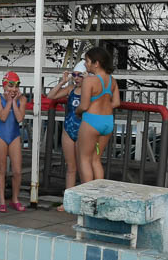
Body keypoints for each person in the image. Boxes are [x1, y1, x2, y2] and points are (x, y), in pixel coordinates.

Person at [47, 60, 87, 210]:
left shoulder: (90, 91)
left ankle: (84, 201)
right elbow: (51, 96)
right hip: (68, 131)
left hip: (83, 132)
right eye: (74, 75)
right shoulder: (70, 89)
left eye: (80, 75)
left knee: (83, 168)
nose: (76, 78)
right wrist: (62, 82)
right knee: (70, 168)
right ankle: (68, 202)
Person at [76, 47, 120, 183]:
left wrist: (77, 112)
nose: (85, 64)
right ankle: (98, 192)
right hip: (107, 121)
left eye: (87, 61)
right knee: (96, 159)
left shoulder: (89, 81)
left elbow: (84, 106)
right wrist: (103, 107)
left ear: (96, 63)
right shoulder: (112, 80)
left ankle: (87, 193)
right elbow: (116, 103)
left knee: (84, 159)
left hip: (91, 121)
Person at [0, 71, 28, 213]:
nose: (13, 89)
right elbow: (2, 117)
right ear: (4, 85)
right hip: (1, 135)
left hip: (14, 136)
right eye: (11, 85)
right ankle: (2, 201)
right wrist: (8, 102)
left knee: (17, 171)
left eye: (16, 86)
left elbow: (19, 118)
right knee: (1, 170)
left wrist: (13, 101)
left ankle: (15, 199)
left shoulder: (22, 99)